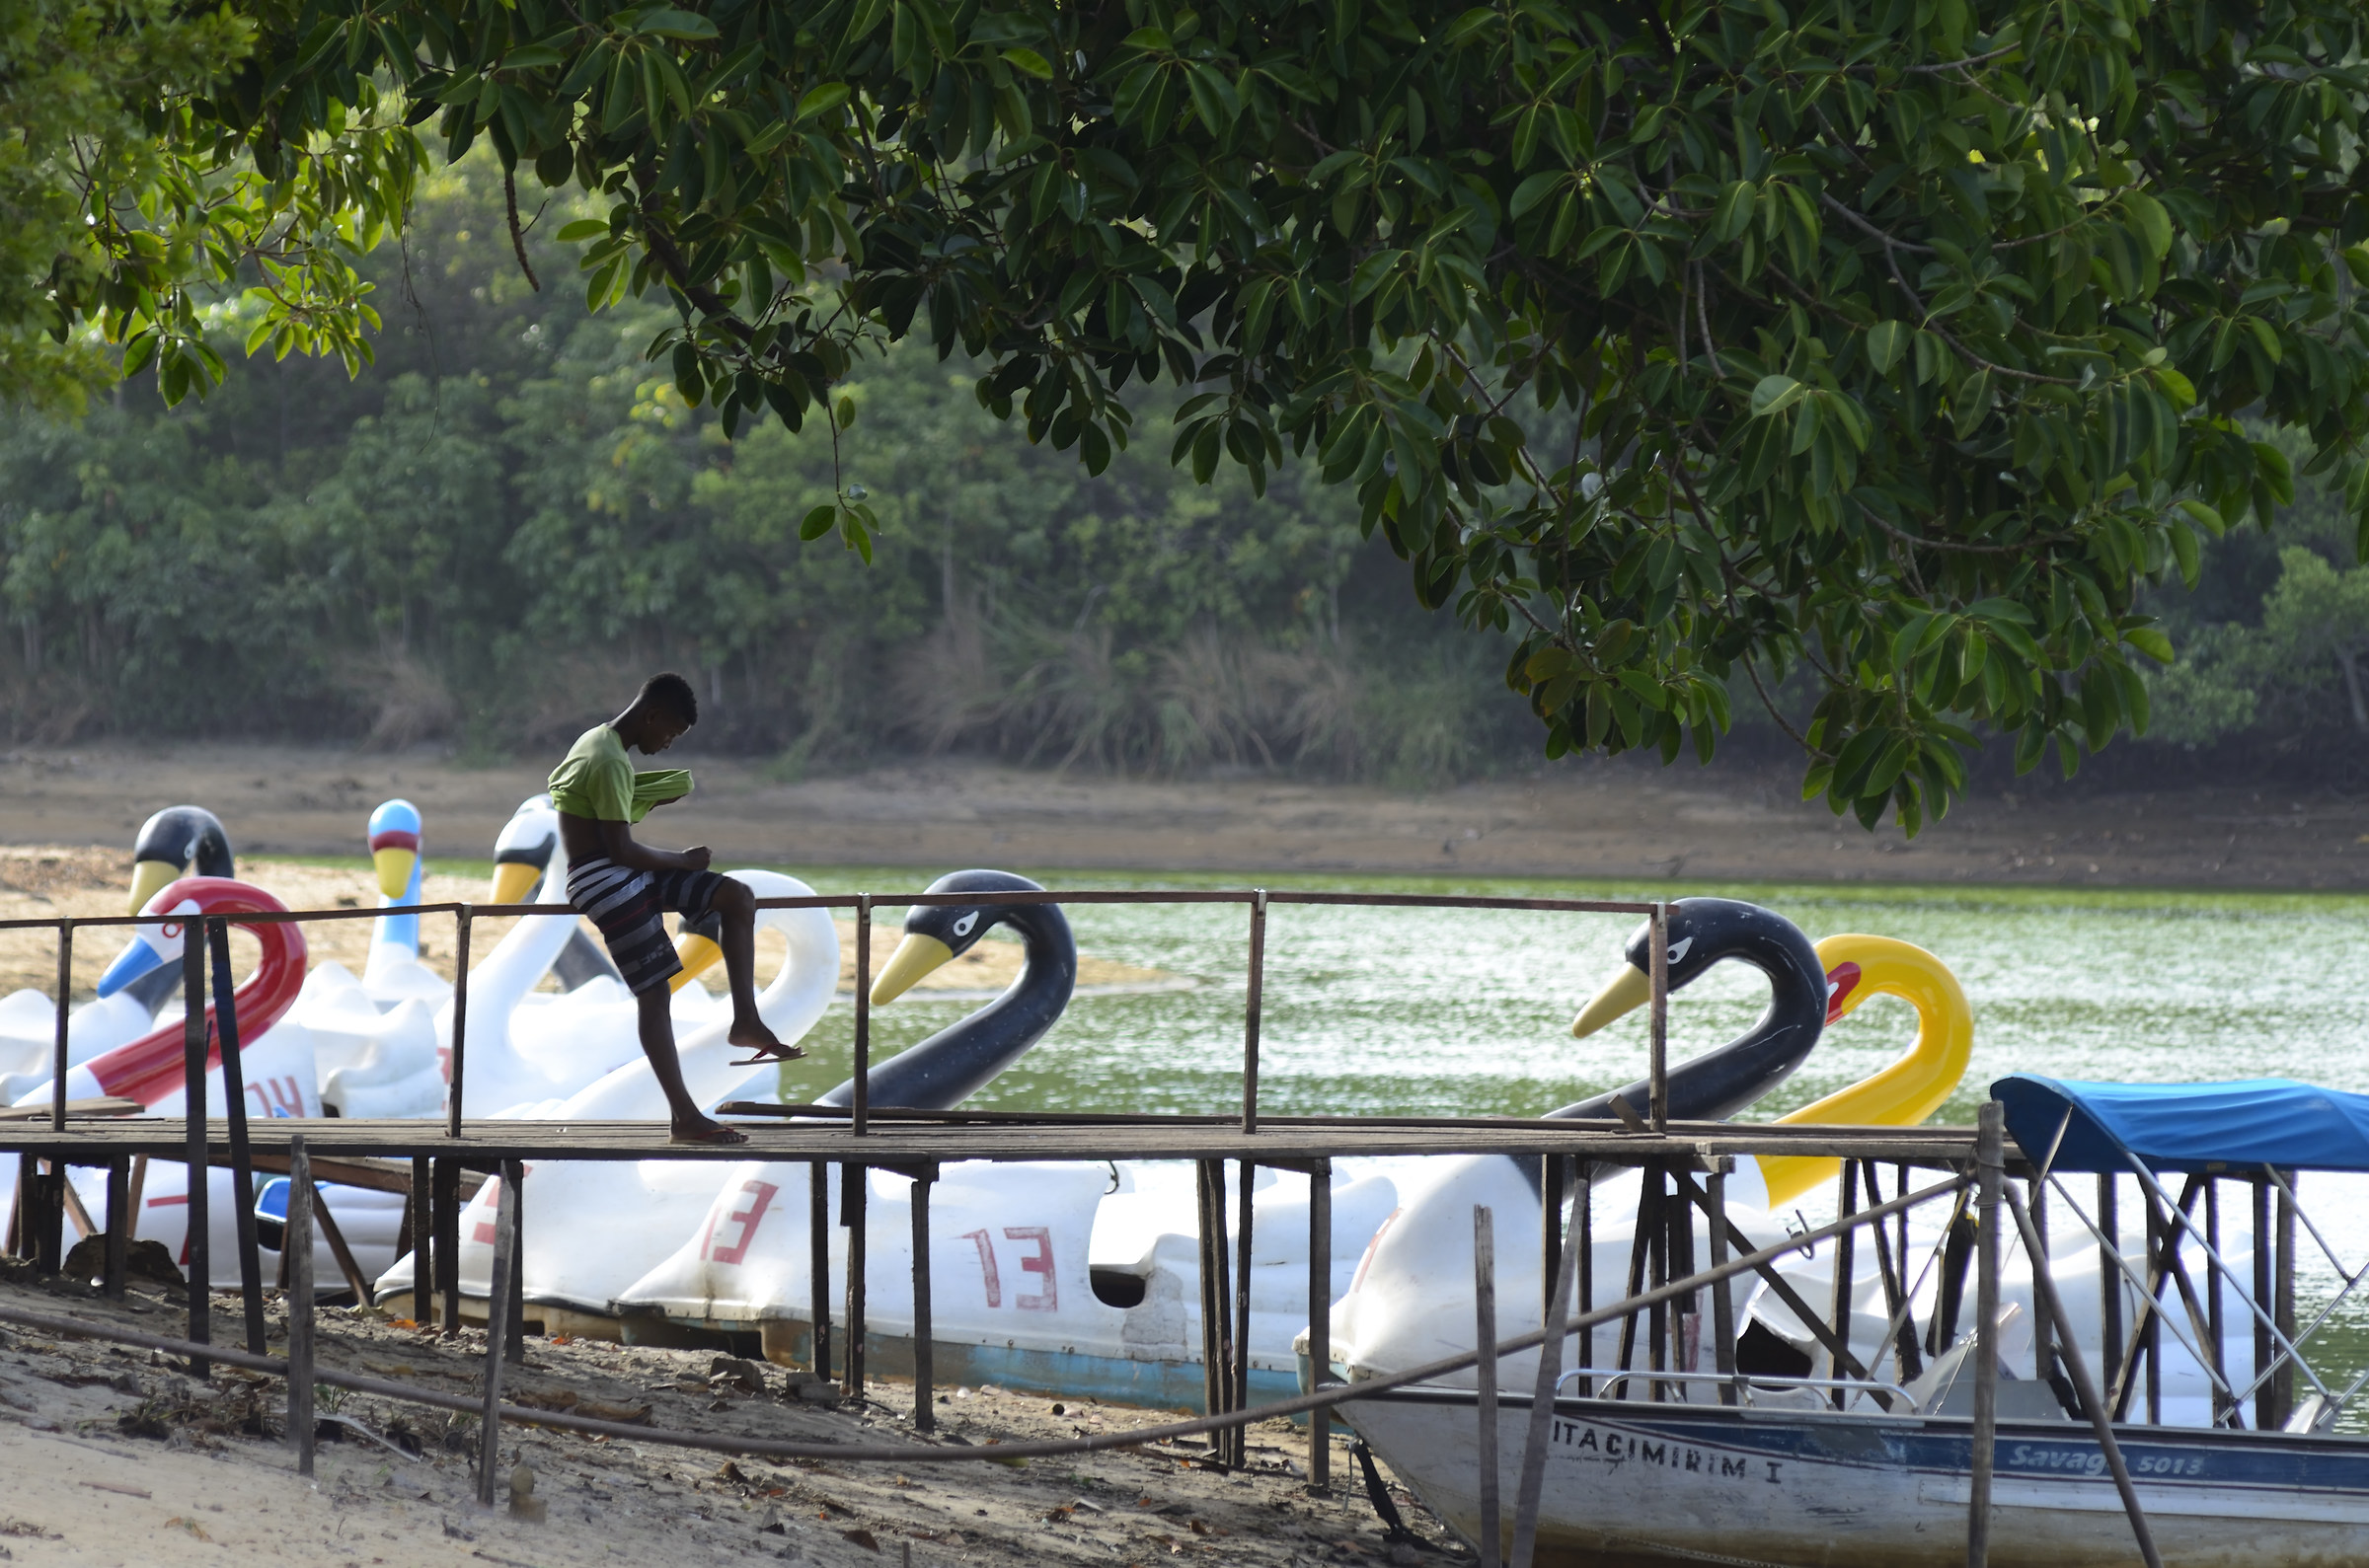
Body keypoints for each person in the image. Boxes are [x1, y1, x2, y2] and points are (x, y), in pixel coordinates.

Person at [548, 672, 797, 1144]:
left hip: (621, 870)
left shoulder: (600, 743)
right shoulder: (609, 761)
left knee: (735, 897)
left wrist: (648, 798)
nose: (667, 744)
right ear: (652, 715)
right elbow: (618, 850)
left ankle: (744, 1019)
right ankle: (684, 1117)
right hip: (600, 878)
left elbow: (603, 823)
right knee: (656, 993)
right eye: (670, 733)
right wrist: (682, 861)